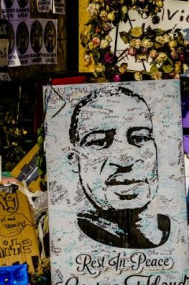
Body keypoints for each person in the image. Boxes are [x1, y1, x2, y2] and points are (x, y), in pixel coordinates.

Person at [68, 85, 170, 249]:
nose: (124, 160)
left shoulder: (172, 231)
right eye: (99, 142)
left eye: (140, 138)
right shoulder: (71, 240)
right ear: (74, 159)